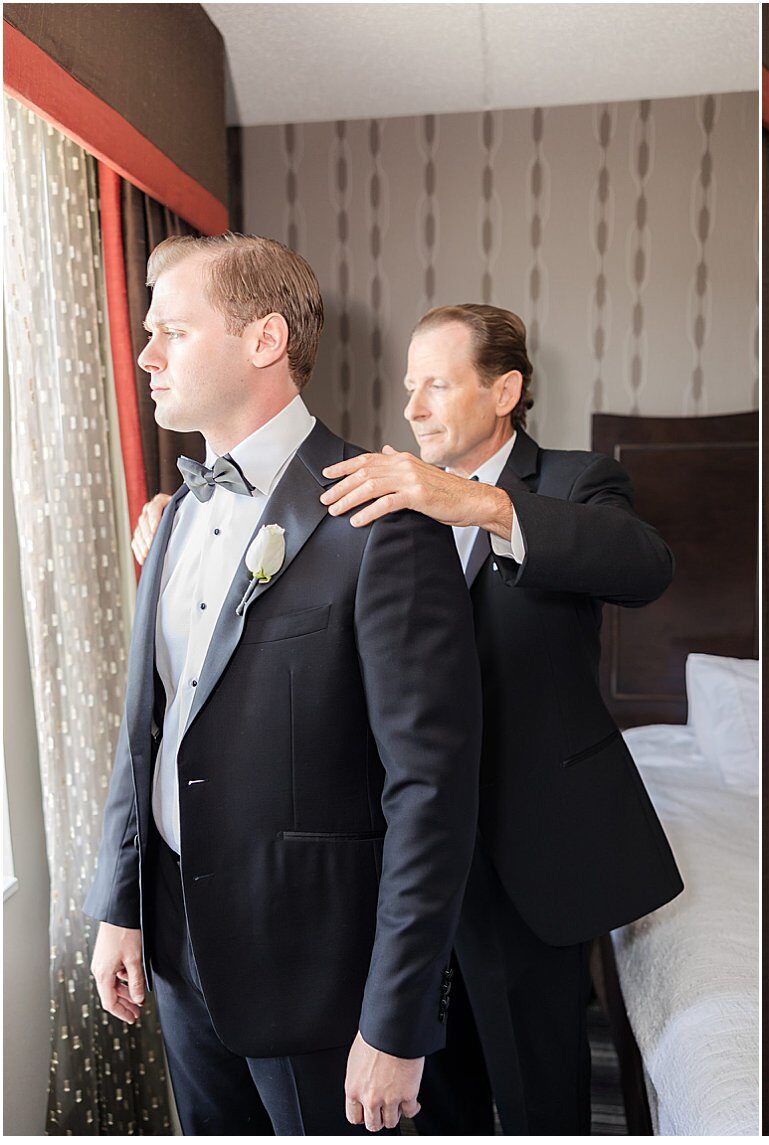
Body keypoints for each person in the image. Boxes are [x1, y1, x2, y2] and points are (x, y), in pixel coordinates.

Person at [129, 303, 683, 1134]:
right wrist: (184, 539)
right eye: (407, 386)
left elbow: (643, 564)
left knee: (540, 1099)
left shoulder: (572, 483)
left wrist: (477, 504)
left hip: (522, 855)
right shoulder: (373, 498)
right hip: (394, 868)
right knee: (422, 1100)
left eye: (437, 384)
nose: (413, 407)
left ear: (505, 390)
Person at [87, 234, 482, 1135]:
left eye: (170, 333)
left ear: (265, 340)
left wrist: (397, 1017)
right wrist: (122, 903)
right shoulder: (178, 511)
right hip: (182, 952)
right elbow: (148, 724)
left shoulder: (382, 522)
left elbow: (433, 791)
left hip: (322, 975)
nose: (146, 355)